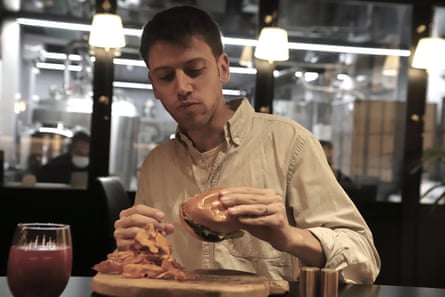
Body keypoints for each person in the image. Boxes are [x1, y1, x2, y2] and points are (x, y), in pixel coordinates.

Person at [114, 6, 380, 284]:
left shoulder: (290, 144)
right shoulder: (156, 164)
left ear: (223, 68)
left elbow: (364, 262)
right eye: (166, 77)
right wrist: (132, 248)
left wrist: (289, 236)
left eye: (194, 70)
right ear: (154, 86)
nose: (182, 87)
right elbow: (146, 270)